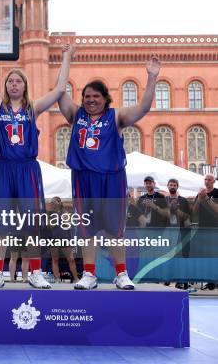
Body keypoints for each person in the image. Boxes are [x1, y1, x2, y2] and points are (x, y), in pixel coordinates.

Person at [57, 56, 161, 290]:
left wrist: (152, 77)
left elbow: (144, 108)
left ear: (105, 99)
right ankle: (89, 274)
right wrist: (66, 59)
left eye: (96, 96)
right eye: (87, 96)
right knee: (88, 229)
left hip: (112, 178)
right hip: (83, 178)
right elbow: (60, 91)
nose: (91, 100)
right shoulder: (76, 115)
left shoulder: (116, 117)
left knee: (115, 229)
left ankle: (121, 273)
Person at [0, 41, 74, 289]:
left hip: (27, 170)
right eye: (10, 81)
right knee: (0, 223)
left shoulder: (33, 108)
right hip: (2, 170)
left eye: (18, 81)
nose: (14, 84)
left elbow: (58, 90)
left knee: (31, 222)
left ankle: (35, 272)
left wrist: (66, 56)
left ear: (25, 86)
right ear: (5, 86)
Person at [46, 197, 79, 283]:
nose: (52, 204)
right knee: (55, 259)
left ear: (59, 202)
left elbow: (69, 225)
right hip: (54, 239)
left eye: (54, 202)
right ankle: (57, 278)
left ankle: (76, 278)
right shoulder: (51, 214)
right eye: (51, 202)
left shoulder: (65, 212)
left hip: (65, 239)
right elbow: (49, 227)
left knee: (71, 259)